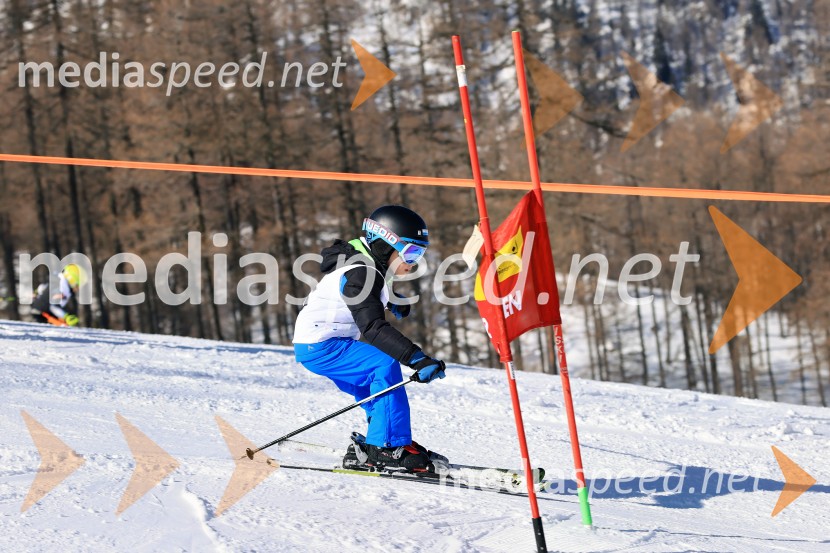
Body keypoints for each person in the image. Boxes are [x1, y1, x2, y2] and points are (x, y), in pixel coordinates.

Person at [292, 205, 448, 473]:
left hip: (323, 342)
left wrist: (389, 301)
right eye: (411, 251)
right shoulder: (362, 271)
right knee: (383, 365)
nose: (414, 261)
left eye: (420, 253)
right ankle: (384, 447)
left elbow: (358, 298)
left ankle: (381, 444)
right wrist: (416, 358)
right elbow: (372, 326)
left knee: (377, 389)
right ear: (385, 244)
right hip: (322, 345)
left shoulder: (364, 265)